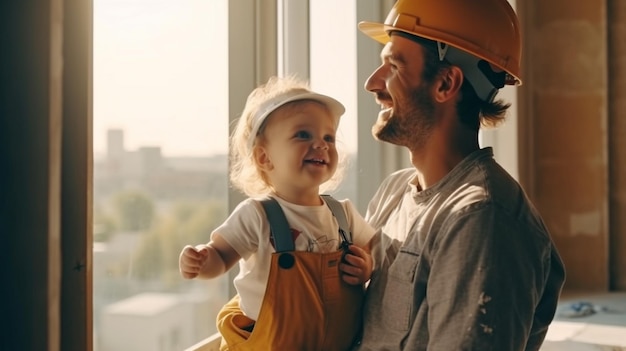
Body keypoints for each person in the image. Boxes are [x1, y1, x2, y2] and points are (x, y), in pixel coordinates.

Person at [354, 0, 566, 350]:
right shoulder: (394, 192)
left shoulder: (481, 219)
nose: (372, 84)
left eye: (392, 65)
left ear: (446, 83)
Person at [179, 76, 375, 351]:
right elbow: (221, 256)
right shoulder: (257, 215)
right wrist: (201, 261)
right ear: (264, 158)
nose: (321, 144)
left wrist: (366, 265)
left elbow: (371, 250)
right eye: (303, 135)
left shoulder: (343, 214)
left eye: (328, 137)